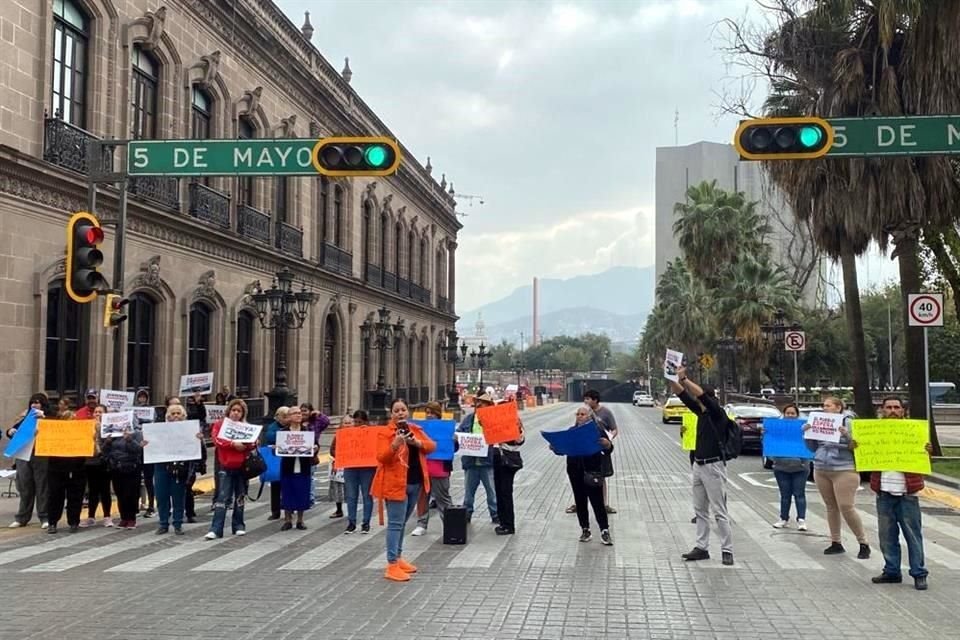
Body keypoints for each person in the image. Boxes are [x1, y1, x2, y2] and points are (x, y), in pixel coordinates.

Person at [856, 397, 931, 590]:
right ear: (882, 410)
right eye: (888, 407)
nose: (892, 410)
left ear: (903, 411)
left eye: (896, 407)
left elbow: (924, 457)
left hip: (908, 493)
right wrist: (855, 447)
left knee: (913, 535)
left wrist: (927, 450)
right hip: (884, 492)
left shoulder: (915, 431)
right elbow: (860, 455)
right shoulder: (872, 433)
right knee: (887, 536)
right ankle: (892, 571)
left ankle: (918, 573)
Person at [671, 366, 734, 566]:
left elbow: (697, 395)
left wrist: (685, 379)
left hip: (714, 466)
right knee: (699, 509)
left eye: (700, 397)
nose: (697, 400)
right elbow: (682, 395)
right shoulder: (701, 413)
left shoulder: (717, 413)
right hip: (698, 465)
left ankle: (727, 549)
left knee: (719, 510)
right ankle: (701, 547)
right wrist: (672, 377)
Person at [371, 398, 436, 582]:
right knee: (395, 524)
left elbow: (432, 446)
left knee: (403, 523)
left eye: (403, 410)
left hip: (415, 483)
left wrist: (417, 443)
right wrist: (395, 444)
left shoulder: (415, 430)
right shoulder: (385, 433)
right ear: (391, 413)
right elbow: (381, 457)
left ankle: (398, 558)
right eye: (396, 410)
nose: (400, 413)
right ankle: (391, 564)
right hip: (395, 484)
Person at [805, 396, 870, 559]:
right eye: (823, 405)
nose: (824, 408)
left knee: (846, 506)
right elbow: (812, 448)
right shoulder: (819, 421)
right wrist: (807, 434)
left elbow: (858, 445)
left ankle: (863, 543)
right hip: (821, 467)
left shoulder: (848, 421)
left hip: (844, 468)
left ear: (838, 407)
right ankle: (836, 542)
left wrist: (846, 435)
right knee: (830, 506)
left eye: (828, 405)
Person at [560, 405, 613, 545]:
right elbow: (563, 449)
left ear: (590, 416)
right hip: (574, 470)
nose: (579, 416)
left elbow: (609, 448)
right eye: (577, 414)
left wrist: (607, 445)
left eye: (582, 414)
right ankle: (585, 529)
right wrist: (556, 447)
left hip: (592, 470)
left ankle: (604, 530)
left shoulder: (597, 430)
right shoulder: (571, 431)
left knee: (597, 502)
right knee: (580, 501)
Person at [205, 398, 256, 539]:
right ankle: (216, 529)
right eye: (233, 410)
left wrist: (249, 444)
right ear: (229, 411)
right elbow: (217, 440)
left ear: (242, 413)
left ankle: (238, 525)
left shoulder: (246, 426)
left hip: (242, 467)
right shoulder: (219, 425)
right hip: (226, 466)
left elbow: (252, 444)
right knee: (222, 497)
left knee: (240, 496)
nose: (235, 413)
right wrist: (233, 444)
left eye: (239, 411)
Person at [153, 403, 203, 535]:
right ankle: (163, 523)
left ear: (183, 416)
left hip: (180, 466)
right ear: (168, 416)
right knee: (161, 495)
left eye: (178, 413)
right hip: (161, 466)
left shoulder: (191, 430)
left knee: (178, 495)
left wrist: (199, 440)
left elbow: (200, 451)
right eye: (173, 413)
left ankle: (178, 523)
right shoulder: (159, 429)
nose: (175, 416)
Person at [566, 389, 618, 514]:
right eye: (585, 399)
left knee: (600, 478)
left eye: (588, 399)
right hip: (583, 451)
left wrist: (608, 440)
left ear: (595, 400)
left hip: (599, 450)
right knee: (580, 478)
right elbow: (576, 430)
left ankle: (604, 504)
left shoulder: (605, 412)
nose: (586, 401)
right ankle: (579, 503)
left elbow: (614, 429)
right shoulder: (582, 413)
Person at [6, 393, 50, 529]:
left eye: (38, 402)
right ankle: (22, 517)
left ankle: (44, 516)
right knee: (25, 486)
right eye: (33, 402)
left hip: (41, 455)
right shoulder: (26, 418)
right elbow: (13, 430)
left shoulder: (49, 417)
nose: (34, 405)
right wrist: (11, 431)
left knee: (42, 486)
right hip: (24, 455)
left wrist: (45, 420)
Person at [412, 402, 456, 536]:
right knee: (422, 497)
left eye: (432, 413)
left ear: (438, 414)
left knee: (443, 498)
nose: (429, 416)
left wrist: (454, 441)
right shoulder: (421, 428)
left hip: (440, 468)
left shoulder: (446, 429)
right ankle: (421, 524)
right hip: (424, 467)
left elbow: (453, 449)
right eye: (427, 413)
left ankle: (450, 524)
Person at [455, 393, 498, 525]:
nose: (479, 405)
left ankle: (495, 514)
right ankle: (467, 513)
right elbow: (460, 433)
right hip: (471, 461)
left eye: (483, 403)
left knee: (491, 491)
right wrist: (457, 437)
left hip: (487, 461)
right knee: (469, 492)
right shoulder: (468, 419)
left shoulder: (493, 421)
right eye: (478, 403)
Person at [101, 414, 147, 530]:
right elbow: (105, 452)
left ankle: (131, 518)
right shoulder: (112, 434)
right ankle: (123, 518)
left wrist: (130, 440)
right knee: (120, 493)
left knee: (130, 493)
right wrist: (107, 442)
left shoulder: (137, 433)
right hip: (116, 467)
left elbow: (138, 450)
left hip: (131, 467)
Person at [769, 403, 808, 531]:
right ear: (784, 414)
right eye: (788, 413)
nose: (790, 416)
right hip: (781, 467)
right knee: (785, 495)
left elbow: (811, 445)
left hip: (800, 468)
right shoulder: (777, 429)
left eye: (793, 413)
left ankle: (801, 519)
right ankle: (783, 518)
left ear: (797, 415)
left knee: (799, 494)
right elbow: (769, 446)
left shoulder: (804, 429)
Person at [279, 413, 320, 531]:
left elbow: (316, 444)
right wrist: (277, 447)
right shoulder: (283, 432)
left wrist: (316, 448)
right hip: (288, 466)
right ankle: (287, 520)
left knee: (302, 492)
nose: (298, 415)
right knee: (287, 492)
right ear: (289, 417)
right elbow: (277, 448)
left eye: (299, 413)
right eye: (295, 413)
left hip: (303, 465)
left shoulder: (307, 432)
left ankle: (300, 520)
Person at [341, 410, 376, 534]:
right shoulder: (346, 433)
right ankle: (351, 522)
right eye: (355, 422)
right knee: (351, 496)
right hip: (350, 468)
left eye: (359, 422)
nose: (357, 424)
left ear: (366, 422)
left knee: (367, 495)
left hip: (367, 468)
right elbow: (335, 449)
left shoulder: (372, 433)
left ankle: (366, 523)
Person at [492, 412, 525, 536]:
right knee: (499, 492)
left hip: (507, 461)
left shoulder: (515, 426)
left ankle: (509, 525)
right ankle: (503, 522)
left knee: (505, 493)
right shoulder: (501, 425)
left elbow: (519, 440)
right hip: (497, 459)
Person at [81, 404, 113, 528]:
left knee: (104, 490)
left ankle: (107, 516)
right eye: (96, 412)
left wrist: (100, 436)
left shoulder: (108, 429)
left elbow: (106, 449)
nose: (97, 414)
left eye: (100, 412)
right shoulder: (87, 427)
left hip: (103, 463)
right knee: (92, 490)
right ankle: (91, 516)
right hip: (90, 463)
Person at [264, 406, 290, 520]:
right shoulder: (273, 427)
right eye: (284, 416)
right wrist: (283, 434)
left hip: (289, 460)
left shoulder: (292, 427)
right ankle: (275, 511)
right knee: (275, 486)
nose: (286, 419)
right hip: (276, 460)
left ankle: (289, 508)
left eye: (287, 416)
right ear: (278, 417)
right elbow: (269, 436)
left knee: (288, 486)